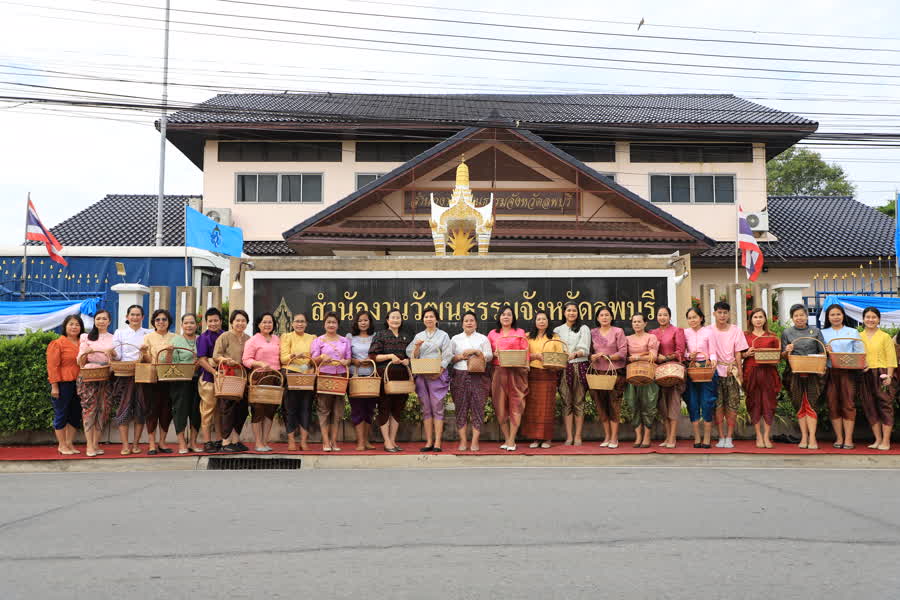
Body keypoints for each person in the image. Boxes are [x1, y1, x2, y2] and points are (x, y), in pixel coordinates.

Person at [781, 303, 826, 450]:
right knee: (799, 404)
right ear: (792, 318)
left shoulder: (816, 331)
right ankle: (804, 437)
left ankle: (812, 437)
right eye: (796, 315)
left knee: (811, 405)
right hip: (794, 373)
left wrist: (818, 361)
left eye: (802, 315)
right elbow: (782, 357)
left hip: (813, 373)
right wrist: (787, 350)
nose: (799, 318)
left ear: (807, 316)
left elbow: (822, 352)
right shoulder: (787, 333)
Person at [408, 308, 452, 452]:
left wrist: (440, 371)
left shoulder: (443, 335)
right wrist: (417, 347)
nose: (429, 319)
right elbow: (413, 355)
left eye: (431, 316)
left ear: (436, 319)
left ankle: (438, 442)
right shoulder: (419, 336)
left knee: (437, 408)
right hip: (422, 375)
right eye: (426, 317)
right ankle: (428, 442)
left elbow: (447, 355)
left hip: (437, 375)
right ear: (423, 320)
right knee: (426, 408)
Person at [488, 305, 529, 452]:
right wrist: (494, 354)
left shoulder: (519, 332)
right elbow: (488, 354)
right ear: (499, 317)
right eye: (503, 314)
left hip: (516, 372)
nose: (506, 317)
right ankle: (507, 438)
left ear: (513, 318)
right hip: (498, 372)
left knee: (516, 405)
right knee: (500, 407)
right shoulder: (493, 334)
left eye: (509, 315)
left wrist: (525, 367)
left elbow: (525, 352)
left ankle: (512, 439)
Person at [449, 311, 492, 452]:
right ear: (462, 323)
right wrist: (461, 356)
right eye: (466, 320)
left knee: (477, 408)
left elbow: (490, 356)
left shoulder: (483, 339)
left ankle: (475, 441)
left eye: (472, 320)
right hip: (459, 375)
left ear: (476, 323)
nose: (469, 323)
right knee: (461, 408)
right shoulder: (455, 339)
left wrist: (477, 352)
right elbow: (449, 358)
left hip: (478, 376)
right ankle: (463, 441)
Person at [369, 308, 412, 452]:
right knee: (384, 407)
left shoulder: (406, 336)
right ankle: (386, 441)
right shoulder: (380, 335)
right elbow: (373, 356)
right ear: (387, 320)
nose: (395, 320)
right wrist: (389, 356)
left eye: (398, 317)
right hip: (385, 378)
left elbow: (413, 355)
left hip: (402, 378)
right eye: (393, 317)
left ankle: (393, 440)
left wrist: (407, 360)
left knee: (397, 409)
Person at [111, 304, 150, 455]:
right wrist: (112, 354)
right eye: (132, 314)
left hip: (142, 374)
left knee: (141, 409)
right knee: (123, 409)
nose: (135, 317)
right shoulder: (120, 333)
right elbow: (118, 355)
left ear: (143, 317)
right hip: (124, 374)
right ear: (127, 317)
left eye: (138, 314)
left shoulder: (147, 333)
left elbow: (150, 356)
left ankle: (136, 444)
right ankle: (125, 445)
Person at [821, 303, 862, 450]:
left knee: (848, 405)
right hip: (831, 373)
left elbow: (859, 354)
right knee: (833, 405)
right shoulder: (822, 333)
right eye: (832, 314)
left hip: (848, 373)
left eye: (838, 314)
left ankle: (849, 439)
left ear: (843, 315)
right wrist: (827, 352)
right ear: (827, 317)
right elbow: (819, 355)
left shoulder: (853, 332)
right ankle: (839, 437)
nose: (836, 317)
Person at [709, 301, 748, 449]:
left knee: (732, 406)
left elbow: (738, 353)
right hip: (714, 373)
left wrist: (740, 373)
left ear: (729, 314)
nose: (722, 315)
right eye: (719, 312)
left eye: (725, 312)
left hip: (731, 371)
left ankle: (730, 437)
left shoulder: (736, 330)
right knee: (718, 405)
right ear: (714, 314)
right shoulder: (709, 330)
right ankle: (721, 436)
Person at [310, 312, 351, 452]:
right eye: (328, 322)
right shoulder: (318, 341)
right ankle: (325, 442)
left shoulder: (345, 341)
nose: (331, 325)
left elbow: (348, 359)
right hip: (324, 377)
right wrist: (321, 357)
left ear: (338, 324)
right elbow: (313, 361)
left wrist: (346, 361)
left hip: (340, 377)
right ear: (324, 324)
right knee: (323, 410)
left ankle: (334, 441)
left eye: (334, 322)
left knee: (338, 411)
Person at [77, 309, 115, 457]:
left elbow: (116, 357)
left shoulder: (113, 337)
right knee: (89, 410)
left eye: (104, 319)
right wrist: (90, 352)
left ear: (109, 321)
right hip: (89, 376)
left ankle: (96, 444)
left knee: (103, 409)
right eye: (98, 318)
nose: (101, 321)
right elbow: (80, 358)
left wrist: (110, 354)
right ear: (94, 321)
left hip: (106, 376)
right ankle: (89, 446)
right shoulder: (86, 337)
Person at [212, 309, 251, 453]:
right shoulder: (225, 337)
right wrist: (225, 360)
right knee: (227, 409)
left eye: (243, 321)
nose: (240, 323)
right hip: (228, 377)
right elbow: (216, 355)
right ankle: (225, 441)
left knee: (242, 410)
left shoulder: (249, 338)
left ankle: (236, 440)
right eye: (237, 320)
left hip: (243, 378)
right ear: (232, 322)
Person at [242, 312, 281, 452]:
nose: (267, 325)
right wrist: (259, 364)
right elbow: (246, 360)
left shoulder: (277, 339)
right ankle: (258, 442)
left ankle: (265, 441)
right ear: (258, 324)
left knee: (270, 411)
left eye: (270, 322)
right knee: (258, 410)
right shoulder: (253, 340)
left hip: (275, 377)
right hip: (259, 377)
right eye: (264, 322)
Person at [589, 307, 627, 449]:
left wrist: (608, 357)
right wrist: (591, 356)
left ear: (611, 317)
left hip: (615, 372)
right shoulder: (593, 333)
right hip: (597, 373)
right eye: (601, 315)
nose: (604, 317)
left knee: (614, 405)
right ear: (597, 318)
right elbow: (589, 352)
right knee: (601, 405)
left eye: (607, 315)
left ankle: (614, 438)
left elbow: (623, 352)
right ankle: (606, 436)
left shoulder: (618, 331)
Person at [859, 306, 896, 450]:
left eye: (873, 317)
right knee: (869, 406)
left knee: (885, 407)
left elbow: (891, 358)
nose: (870, 320)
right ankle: (878, 440)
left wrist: (890, 376)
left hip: (882, 374)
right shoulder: (858, 336)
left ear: (879, 319)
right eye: (867, 317)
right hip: (864, 374)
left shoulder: (885, 336)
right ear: (863, 319)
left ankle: (886, 441)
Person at [553, 301, 591, 446]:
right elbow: (554, 348)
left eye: (574, 310)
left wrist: (574, 354)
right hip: (563, 368)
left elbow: (585, 349)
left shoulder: (583, 328)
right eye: (568, 310)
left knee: (579, 401)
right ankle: (569, 436)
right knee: (566, 402)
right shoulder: (557, 330)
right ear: (564, 312)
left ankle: (578, 436)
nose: (571, 313)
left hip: (579, 366)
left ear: (578, 312)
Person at [743, 308, 781, 449]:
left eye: (761, 317)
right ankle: (758, 435)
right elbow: (738, 355)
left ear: (765, 319)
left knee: (769, 403)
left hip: (768, 373)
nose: (758, 319)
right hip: (751, 372)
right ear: (751, 320)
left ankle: (767, 436)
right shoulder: (745, 336)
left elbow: (778, 356)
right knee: (754, 403)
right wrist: (747, 353)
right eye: (755, 317)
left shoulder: (772, 336)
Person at [47, 314, 84, 455]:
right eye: (71, 324)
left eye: (77, 324)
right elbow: (52, 367)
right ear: (65, 326)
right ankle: (61, 445)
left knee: (75, 414)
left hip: (80, 383)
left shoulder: (83, 343)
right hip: (63, 384)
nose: (74, 327)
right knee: (61, 414)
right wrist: (54, 386)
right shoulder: (57, 344)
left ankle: (69, 444)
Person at [140, 309, 175, 455]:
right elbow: (147, 359)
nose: (161, 322)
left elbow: (174, 361)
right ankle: (152, 443)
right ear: (154, 322)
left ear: (169, 322)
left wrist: (170, 352)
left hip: (169, 378)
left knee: (166, 411)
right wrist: (143, 353)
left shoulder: (175, 337)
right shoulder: (148, 337)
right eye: (158, 320)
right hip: (152, 378)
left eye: (164, 319)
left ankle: (162, 442)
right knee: (151, 410)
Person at [650, 306, 686, 448]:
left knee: (673, 403)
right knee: (662, 405)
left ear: (670, 316)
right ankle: (667, 436)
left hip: (673, 371)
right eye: (660, 315)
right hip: (658, 372)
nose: (662, 317)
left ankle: (672, 438)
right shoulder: (652, 333)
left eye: (665, 315)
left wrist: (665, 358)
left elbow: (680, 352)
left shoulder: (677, 331)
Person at [522, 311, 558, 449]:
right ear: (535, 322)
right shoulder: (528, 337)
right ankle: (535, 438)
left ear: (548, 321)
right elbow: (523, 354)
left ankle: (547, 439)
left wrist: (548, 358)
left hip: (549, 374)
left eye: (544, 319)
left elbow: (561, 355)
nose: (541, 321)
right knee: (533, 407)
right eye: (539, 319)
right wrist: (534, 356)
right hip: (532, 374)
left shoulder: (554, 337)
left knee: (547, 408)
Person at [281, 312, 316, 451]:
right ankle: (291, 441)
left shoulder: (313, 338)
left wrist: (310, 367)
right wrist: (293, 355)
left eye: (302, 321)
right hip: (291, 374)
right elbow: (283, 359)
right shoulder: (286, 337)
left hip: (307, 375)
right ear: (292, 323)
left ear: (306, 324)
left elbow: (315, 357)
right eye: (297, 321)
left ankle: (303, 441)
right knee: (290, 408)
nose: (300, 324)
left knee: (306, 408)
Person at [683, 306, 717, 448]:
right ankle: (697, 437)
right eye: (690, 318)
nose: (692, 320)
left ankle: (707, 438)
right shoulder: (685, 333)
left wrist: (713, 360)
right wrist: (687, 355)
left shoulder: (709, 332)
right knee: (692, 402)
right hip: (691, 368)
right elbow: (684, 351)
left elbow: (713, 351)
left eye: (695, 317)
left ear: (701, 318)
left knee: (707, 402)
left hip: (706, 369)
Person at [624, 313, 659, 448]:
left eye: (639, 321)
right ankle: (638, 435)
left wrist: (637, 357)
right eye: (634, 322)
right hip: (632, 376)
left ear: (645, 323)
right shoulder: (627, 339)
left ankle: (647, 435)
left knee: (649, 405)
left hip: (648, 376)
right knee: (633, 405)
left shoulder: (651, 337)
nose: (637, 324)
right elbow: (625, 356)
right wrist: (635, 357)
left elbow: (653, 356)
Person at [169, 313, 202, 454]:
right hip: (180, 381)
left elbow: (206, 357)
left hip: (198, 380)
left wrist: (198, 364)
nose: (189, 326)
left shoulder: (201, 339)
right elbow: (170, 363)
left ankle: (193, 442)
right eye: (186, 323)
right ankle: (182, 442)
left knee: (196, 412)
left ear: (197, 325)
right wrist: (170, 353)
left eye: (192, 323)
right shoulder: (176, 341)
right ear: (182, 325)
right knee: (180, 411)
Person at [346, 311, 376, 451]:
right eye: (360, 321)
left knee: (369, 409)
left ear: (370, 322)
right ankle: (360, 442)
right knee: (357, 409)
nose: (363, 323)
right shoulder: (350, 338)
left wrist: (370, 360)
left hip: (372, 377)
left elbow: (378, 354)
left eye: (366, 320)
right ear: (356, 323)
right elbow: (345, 356)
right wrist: (354, 361)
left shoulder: (375, 337)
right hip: (355, 376)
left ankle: (367, 440)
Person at [196, 308, 224, 453]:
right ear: (206, 322)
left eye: (216, 320)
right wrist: (214, 371)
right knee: (207, 410)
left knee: (220, 409)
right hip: (208, 378)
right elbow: (201, 360)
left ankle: (220, 439)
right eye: (210, 321)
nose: (213, 323)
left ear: (221, 321)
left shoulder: (225, 335)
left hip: (225, 378)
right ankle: (207, 441)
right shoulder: (203, 338)